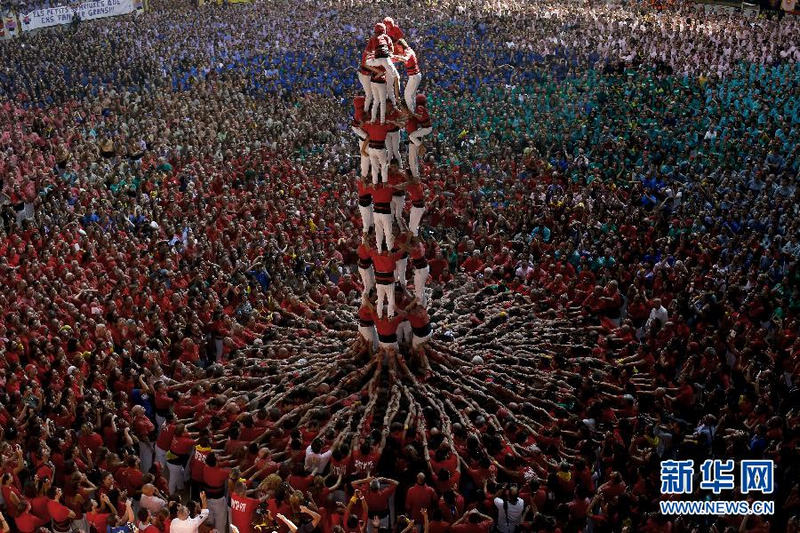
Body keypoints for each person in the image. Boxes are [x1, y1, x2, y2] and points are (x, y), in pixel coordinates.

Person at [202, 453, 230, 531]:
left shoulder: (205, 468)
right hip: (218, 501)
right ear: (216, 462)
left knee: (210, 521)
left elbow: (218, 465)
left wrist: (227, 460)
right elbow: (234, 473)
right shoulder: (221, 473)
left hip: (207, 499)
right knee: (220, 523)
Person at [406, 94, 432, 179]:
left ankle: (421, 146)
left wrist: (412, 114)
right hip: (425, 128)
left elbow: (420, 117)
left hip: (426, 129)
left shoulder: (419, 107)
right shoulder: (420, 107)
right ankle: (420, 146)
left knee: (411, 136)